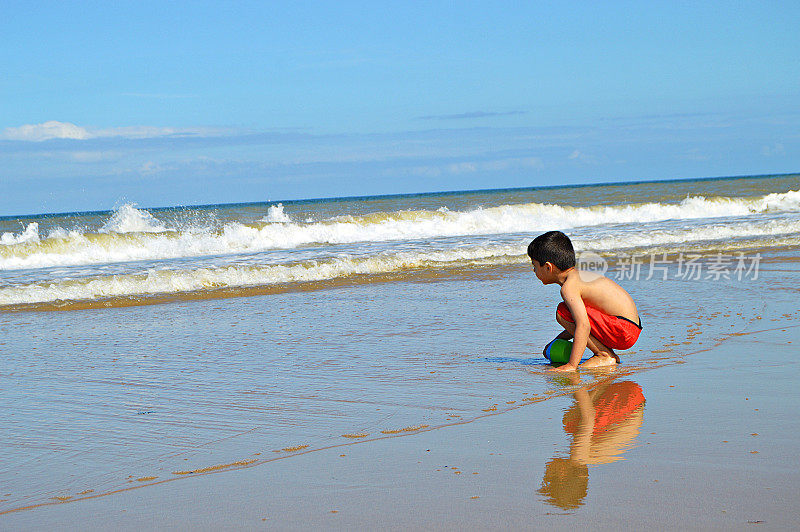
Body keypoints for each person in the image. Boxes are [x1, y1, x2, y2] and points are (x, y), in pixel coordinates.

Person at [528, 231, 641, 371]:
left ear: (548, 267)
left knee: (561, 312)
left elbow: (583, 325)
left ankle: (603, 355)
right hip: (628, 327)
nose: (533, 270)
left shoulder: (569, 288)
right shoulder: (577, 278)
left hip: (622, 330)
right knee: (567, 312)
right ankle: (606, 353)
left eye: (534, 266)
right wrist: (558, 340)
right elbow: (578, 322)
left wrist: (572, 365)